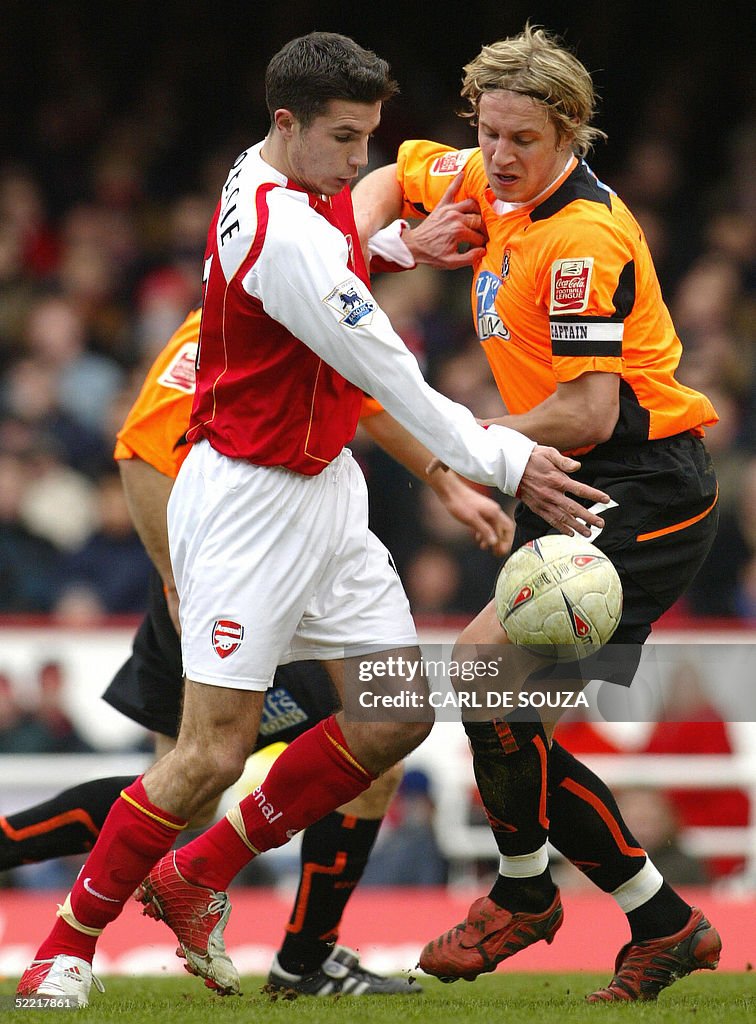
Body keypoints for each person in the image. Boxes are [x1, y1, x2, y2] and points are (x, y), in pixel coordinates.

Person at [17, 32, 608, 1008]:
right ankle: (63, 945)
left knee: (396, 708)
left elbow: (342, 240)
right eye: (344, 139)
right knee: (210, 750)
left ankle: (199, 872)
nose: (358, 163)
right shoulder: (285, 237)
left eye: (370, 139)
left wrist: (390, 242)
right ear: (287, 123)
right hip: (248, 508)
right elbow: (388, 374)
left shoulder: (284, 181)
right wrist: (508, 461)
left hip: (329, 500)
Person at [352, 24, 722, 1003]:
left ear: (571, 131)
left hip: (639, 483)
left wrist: (459, 441)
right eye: (489, 132)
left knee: (485, 676)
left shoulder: (581, 239)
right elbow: (394, 171)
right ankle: (654, 921)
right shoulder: (489, 174)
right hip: (559, 475)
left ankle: (529, 894)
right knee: (501, 700)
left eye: (522, 139)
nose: (500, 157)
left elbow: (591, 408)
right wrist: (382, 239)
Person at [2, 301, 511, 995]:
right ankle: (79, 933)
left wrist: (449, 485)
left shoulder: (336, 292)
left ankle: (301, 956)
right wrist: (182, 585)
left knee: (381, 731)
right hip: (226, 564)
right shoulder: (241, 306)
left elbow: (372, 399)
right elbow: (142, 450)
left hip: (321, 545)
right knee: (198, 775)